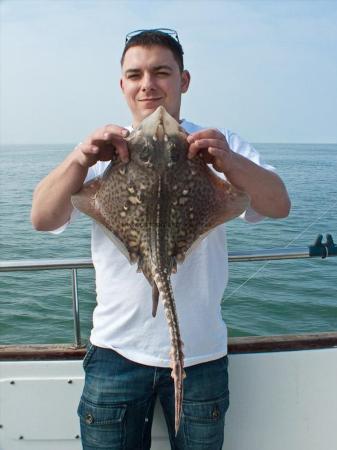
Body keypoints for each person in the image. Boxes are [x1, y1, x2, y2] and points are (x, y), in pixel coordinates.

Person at [31, 29, 290, 450]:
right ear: (123, 85)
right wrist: (81, 158)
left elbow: (278, 204)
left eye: (161, 72)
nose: (147, 84)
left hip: (200, 355)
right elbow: (41, 218)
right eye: (135, 74)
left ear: (183, 80)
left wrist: (228, 162)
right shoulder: (105, 149)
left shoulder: (219, 142)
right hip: (114, 352)